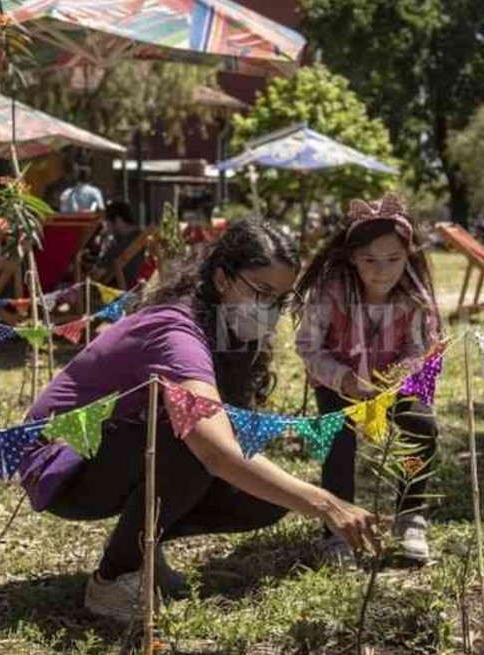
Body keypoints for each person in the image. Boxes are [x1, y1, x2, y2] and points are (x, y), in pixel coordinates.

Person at [22, 219, 379, 621]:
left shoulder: (224, 329)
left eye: (280, 299)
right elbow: (214, 450)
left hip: (118, 449)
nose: (270, 310)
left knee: (266, 499)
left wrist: (302, 496)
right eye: (261, 292)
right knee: (193, 443)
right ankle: (113, 579)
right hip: (59, 464)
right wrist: (324, 502)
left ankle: (139, 546)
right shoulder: (176, 332)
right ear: (223, 279)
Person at [294, 193, 441, 565]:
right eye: (370, 260)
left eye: (394, 259)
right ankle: (337, 530)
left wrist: (400, 374)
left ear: (407, 256)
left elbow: (418, 347)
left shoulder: (413, 297)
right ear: (352, 257)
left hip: (391, 382)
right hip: (337, 381)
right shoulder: (328, 292)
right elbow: (308, 346)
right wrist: (345, 380)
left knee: (422, 428)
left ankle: (410, 516)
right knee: (338, 443)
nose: (382, 271)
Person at [90, 200, 144, 288]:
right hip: (144, 290)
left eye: (107, 223)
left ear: (118, 221)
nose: (107, 228)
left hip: (119, 293)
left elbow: (95, 276)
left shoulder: (117, 248)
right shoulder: (144, 237)